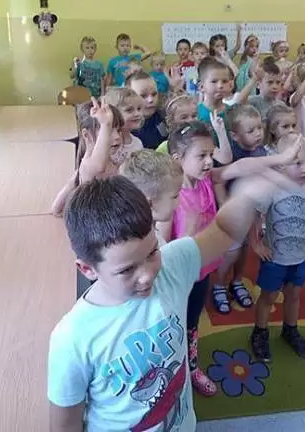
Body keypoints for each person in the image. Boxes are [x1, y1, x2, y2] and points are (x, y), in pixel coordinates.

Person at [48, 168, 291, 431]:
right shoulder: (72, 339)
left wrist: (247, 196)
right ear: (87, 269)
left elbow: (222, 230)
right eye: (127, 270)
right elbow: (65, 425)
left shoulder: (171, 266)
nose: (147, 275)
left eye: (152, 252)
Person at [250, 134, 305, 362]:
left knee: (294, 295)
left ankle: (290, 329)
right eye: (297, 163)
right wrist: (256, 243)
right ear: (282, 164)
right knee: (269, 296)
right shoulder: (273, 188)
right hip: (275, 257)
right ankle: (260, 332)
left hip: (301, 255)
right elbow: (255, 213)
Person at [168, 122, 226, 396]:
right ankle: (171, 371)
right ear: (177, 159)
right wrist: (189, 231)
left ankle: (191, 367)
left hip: (202, 271)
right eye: (201, 155)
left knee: (192, 320)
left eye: (210, 154)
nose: (209, 161)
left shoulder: (205, 182)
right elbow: (165, 248)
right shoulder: (171, 196)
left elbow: (239, 166)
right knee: (174, 324)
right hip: (179, 277)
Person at [210, 104, 266, 314]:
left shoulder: (261, 151)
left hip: (251, 211)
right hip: (233, 212)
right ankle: (219, 284)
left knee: (244, 249)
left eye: (259, 128)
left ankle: (237, 280)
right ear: (235, 135)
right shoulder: (231, 153)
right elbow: (219, 181)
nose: (258, 133)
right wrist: (225, 205)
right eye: (251, 131)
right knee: (230, 252)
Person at [51, 98, 124, 216]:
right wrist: (105, 124)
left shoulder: (114, 162)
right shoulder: (88, 165)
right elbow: (99, 166)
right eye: (109, 131)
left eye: (119, 130)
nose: (117, 136)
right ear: (86, 135)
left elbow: (56, 207)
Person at [120, 149, 183, 246]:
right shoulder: (146, 247)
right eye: (175, 196)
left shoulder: (151, 233)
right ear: (148, 204)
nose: (179, 202)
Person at [156, 94, 232, 164]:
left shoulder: (202, 141)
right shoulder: (164, 147)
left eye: (194, 116)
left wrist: (220, 131)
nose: (190, 120)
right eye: (184, 117)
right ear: (171, 121)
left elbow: (225, 159)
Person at [126, 71, 167, 149]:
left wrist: (176, 87)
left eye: (154, 94)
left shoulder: (163, 116)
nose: (150, 100)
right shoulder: (125, 128)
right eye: (143, 96)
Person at [104, 87, 144, 156]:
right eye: (129, 110)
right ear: (113, 113)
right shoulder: (108, 145)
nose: (137, 114)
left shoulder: (138, 143)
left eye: (139, 109)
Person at [249, 57, 282, 122]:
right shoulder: (252, 101)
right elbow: (240, 101)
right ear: (258, 84)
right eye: (270, 82)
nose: (275, 87)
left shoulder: (281, 105)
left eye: (278, 82)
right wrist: (253, 79)